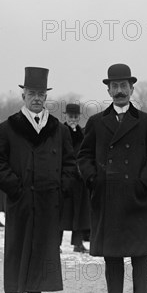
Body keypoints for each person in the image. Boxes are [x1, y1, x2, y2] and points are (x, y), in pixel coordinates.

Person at [0, 67, 77, 293]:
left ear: (46, 96)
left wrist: (62, 188)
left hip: (49, 201)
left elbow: (71, 163)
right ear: (23, 95)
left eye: (40, 93)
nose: (36, 98)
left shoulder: (58, 129)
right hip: (20, 200)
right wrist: (14, 187)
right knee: (17, 248)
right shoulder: (8, 128)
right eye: (31, 93)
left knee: (44, 248)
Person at [77, 63, 147, 293]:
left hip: (137, 195)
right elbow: (83, 156)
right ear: (108, 90)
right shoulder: (96, 122)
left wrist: (143, 183)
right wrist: (94, 179)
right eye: (114, 86)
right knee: (112, 251)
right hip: (108, 195)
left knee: (141, 252)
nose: (119, 91)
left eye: (123, 86)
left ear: (131, 89)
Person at [60, 103, 91, 253]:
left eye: (75, 117)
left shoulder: (83, 134)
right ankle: (55, 244)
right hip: (64, 178)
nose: (73, 119)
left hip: (79, 180)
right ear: (66, 116)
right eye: (70, 116)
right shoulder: (59, 132)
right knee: (61, 213)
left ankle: (78, 243)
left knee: (79, 212)